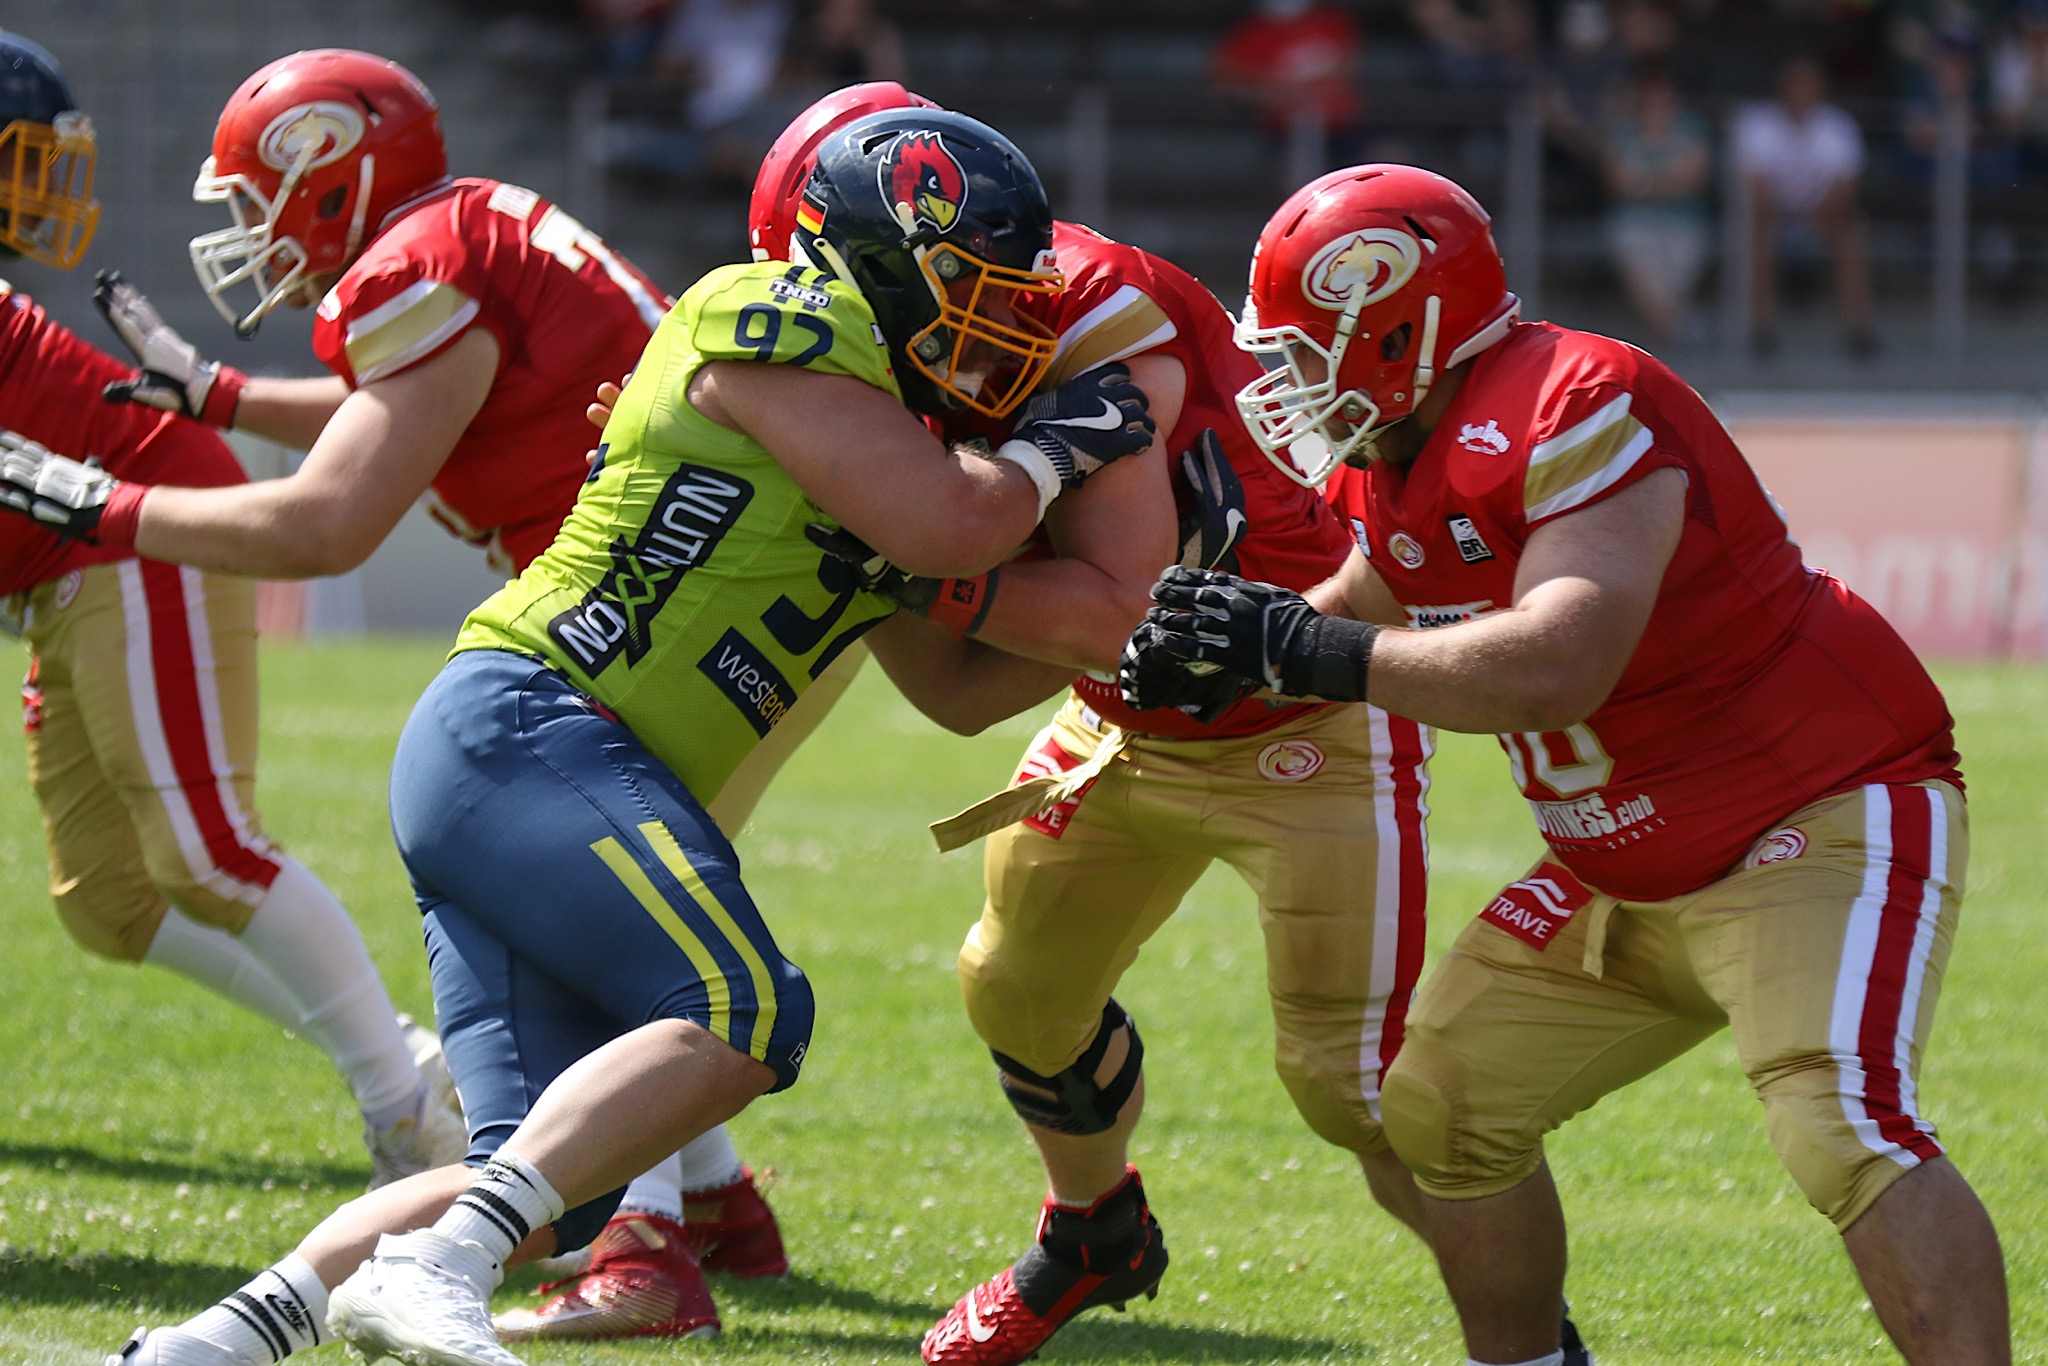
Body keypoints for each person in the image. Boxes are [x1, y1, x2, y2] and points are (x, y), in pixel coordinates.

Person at [57, 105, 1151, 1366]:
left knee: (542, 1179)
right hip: (538, 721)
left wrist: (1130, 626)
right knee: (743, 1007)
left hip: (531, 758)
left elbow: (955, 684)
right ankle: (436, 1267)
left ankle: (208, 1348)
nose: (997, 322)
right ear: (880, 255)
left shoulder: (875, 441)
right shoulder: (779, 316)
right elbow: (952, 528)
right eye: (970, 282)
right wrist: (1055, 454)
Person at [1125, 163, 2010, 1366]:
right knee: (1441, 1101)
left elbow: (1558, 661)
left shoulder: (1573, 397)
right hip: (1621, 865)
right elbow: (1351, 609)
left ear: (1399, 324)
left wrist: (1295, 644)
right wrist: (1222, 657)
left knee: (1837, 1121)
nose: (1284, 383)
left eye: (1303, 348)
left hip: (1808, 813)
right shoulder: (1393, 457)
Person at [739, 83, 1447, 1366]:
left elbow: (1125, 599)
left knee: (1355, 1088)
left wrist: (888, 550)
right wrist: (852, 542)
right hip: (1124, 709)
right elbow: (953, 691)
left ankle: (1523, 1336)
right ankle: (1091, 1233)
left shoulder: (1092, 313)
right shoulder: (894, 356)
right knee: (1012, 984)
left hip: (1303, 711)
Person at [82, 45, 784, 1339]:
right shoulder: (459, 235)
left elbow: (329, 521)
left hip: (652, 620)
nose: (251, 234)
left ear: (332, 172)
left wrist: (109, 508)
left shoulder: (421, 265)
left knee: (621, 937)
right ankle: (718, 1196)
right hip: (670, 597)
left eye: (257, 197)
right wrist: (219, 396)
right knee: (625, 920)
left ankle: (645, 1236)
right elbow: (396, 412)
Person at [0, 31, 463, 1191]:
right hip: (79, 559)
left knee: (207, 852)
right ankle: (414, 1064)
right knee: (110, 901)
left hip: (143, 531)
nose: (40, 186)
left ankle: (412, 1109)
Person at [1733, 56, 1876, 357]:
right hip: (1773, 216)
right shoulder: (1755, 122)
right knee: (1758, 233)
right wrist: (1784, 215)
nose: (1802, 91)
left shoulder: (1839, 125)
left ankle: (1858, 330)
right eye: (1796, 83)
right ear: (1782, 88)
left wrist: (1816, 215)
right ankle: (1763, 330)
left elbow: (1845, 188)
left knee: (1851, 237)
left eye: (1809, 84)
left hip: (1823, 216)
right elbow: (1754, 188)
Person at [1600, 64, 1710, 345]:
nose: (1657, 102)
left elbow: (1694, 179)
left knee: (1677, 275)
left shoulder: (1691, 127)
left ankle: (1661, 334)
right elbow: (1620, 182)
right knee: (1636, 256)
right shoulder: (1625, 130)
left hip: (1684, 220)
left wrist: (1646, 184)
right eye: (1650, 96)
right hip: (1635, 220)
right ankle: (1675, 330)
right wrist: (1668, 181)